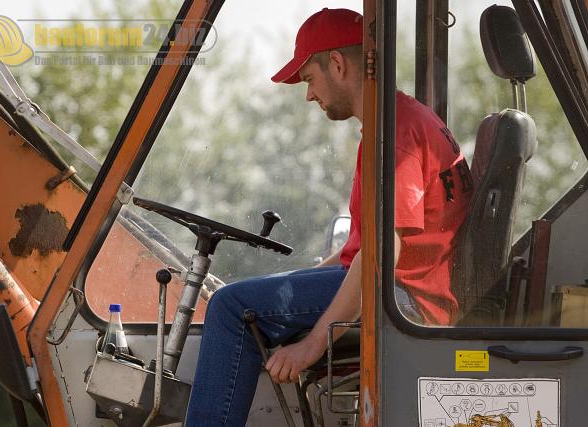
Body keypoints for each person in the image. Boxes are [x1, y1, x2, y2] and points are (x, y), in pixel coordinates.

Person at [184, 7, 471, 426]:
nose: (309, 95)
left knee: (231, 308)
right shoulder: (403, 120)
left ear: (336, 63)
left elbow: (382, 250)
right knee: (251, 294)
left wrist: (313, 345)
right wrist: (298, 280)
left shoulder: (394, 132)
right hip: (407, 286)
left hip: (405, 298)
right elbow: (365, 246)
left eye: (309, 80)